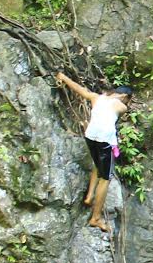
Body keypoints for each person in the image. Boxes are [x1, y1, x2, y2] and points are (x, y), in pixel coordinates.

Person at [54, 72, 131, 234]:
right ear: (125, 96)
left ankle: (89, 197)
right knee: (106, 178)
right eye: (128, 99)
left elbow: (79, 90)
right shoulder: (122, 106)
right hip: (104, 141)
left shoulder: (97, 98)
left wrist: (63, 77)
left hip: (90, 136)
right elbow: (116, 111)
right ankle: (95, 218)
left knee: (97, 164)